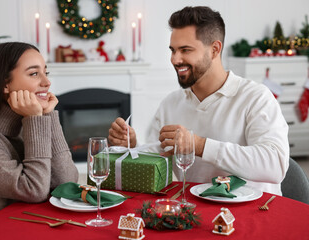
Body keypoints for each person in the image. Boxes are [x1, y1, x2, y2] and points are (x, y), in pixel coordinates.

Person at [109, 6, 289, 195]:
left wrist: (201, 146)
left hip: (256, 214)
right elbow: (156, 160)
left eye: (185, 50)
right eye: (173, 50)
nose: (175, 59)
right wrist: (132, 147)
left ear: (214, 49)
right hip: (195, 215)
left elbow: (275, 165)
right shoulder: (170, 104)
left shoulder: (256, 97)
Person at [0, 42, 78, 240]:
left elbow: (67, 183)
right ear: (5, 84)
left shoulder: (26, 126)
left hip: (31, 230)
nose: (46, 82)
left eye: (46, 72)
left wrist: (47, 117)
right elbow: (34, 190)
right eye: (34, 74)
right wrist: (35, 120)